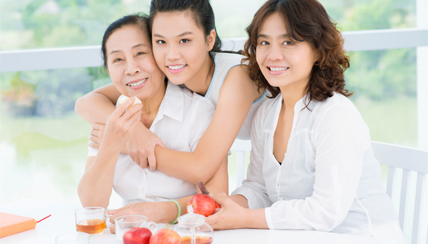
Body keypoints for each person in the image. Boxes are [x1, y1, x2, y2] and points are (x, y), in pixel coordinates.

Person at [205, 0, 404, 241]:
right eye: (264, 42)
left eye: (288, 42)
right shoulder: (266, 114)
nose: (273, 55)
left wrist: (244, 218)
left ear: (318, 50)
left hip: (360, 236)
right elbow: (259, 188)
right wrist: (224, 205)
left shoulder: (336, 116)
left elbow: (326, 212)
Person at [74, 0, 266, 187]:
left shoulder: (237, 77)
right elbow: (85, 103)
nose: (172, 54)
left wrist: (123, 144)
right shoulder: (172, 73)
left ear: (209, 40)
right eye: (161, 41)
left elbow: (200, 168)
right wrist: (136, 133)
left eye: (184, 40)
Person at [77, 14, 227, 227]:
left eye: (140, 53)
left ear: (159, 55)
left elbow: (217, 196)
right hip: (128, 232)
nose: (131, 68)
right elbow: (91, 204)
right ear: (109, 70)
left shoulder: (198, 112)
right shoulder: (111, 117)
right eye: (118, 59)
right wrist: (113, 142)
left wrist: (163, 211)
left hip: (188, 230)